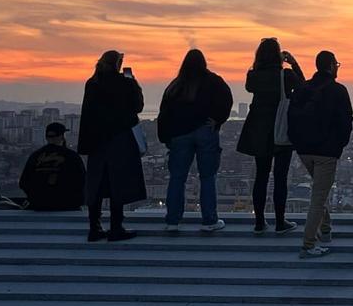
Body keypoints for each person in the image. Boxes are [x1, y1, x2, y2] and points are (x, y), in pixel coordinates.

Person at [157, 49, 233, 233]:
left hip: (179, 135)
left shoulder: (175, 86)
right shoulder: (214, 81)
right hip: (205, 132)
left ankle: (173, 221)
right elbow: (227, 100)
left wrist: (166, 137)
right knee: (207, 177)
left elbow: (164, 113)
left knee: (177, 178)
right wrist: (217, 119)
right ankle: (209, 220)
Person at [237, 37, 305, 234]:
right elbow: (303, 87)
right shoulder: (285, 75)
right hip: (280, 128)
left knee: (261, 176)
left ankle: (259, 222)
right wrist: (293, 63)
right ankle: (280, 221)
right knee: (280, 177)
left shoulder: (253, 76)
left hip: (259, 130)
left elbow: (250, 88)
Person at [288, 50, 353, 258]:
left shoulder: (303, 89)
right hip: (327, 152)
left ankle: (325, 229)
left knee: (320, 190)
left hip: (305, 151)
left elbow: (292, 118)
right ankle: (308, 243)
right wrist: (338, 146)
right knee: (318, 197)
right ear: (332, 66)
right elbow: (346, 123)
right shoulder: (338, 91)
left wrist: (297, 143)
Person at [78, 50, 146, 241]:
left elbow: (88, 113)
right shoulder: (125, 83)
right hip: (120, 139)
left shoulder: (92, 84)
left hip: (97, 141)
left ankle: (94, 227)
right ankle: (116, 227)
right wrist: (133, 82)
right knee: (119, 183)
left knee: (97, 183)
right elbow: (138, 106)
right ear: (118, 63)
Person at [18, 122, 85, 211]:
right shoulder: (72, 156)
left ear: (46, 137)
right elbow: (82, 181)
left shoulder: (35, 156)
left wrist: (35, 197)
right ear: (62, 136)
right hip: (67, 206)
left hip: (39, 205)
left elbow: (23, 182)